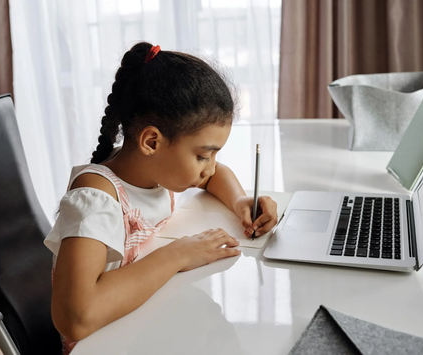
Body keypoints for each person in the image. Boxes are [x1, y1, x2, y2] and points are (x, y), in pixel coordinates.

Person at [44, 42, 278, 353]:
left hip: (147, 319)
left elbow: (215, 175)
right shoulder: (96, 201)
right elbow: (75, 318)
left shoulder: (154, 169)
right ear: (152, 141)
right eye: (203, 156)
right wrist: (178, 255)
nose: (209, 167)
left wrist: (240, 201)